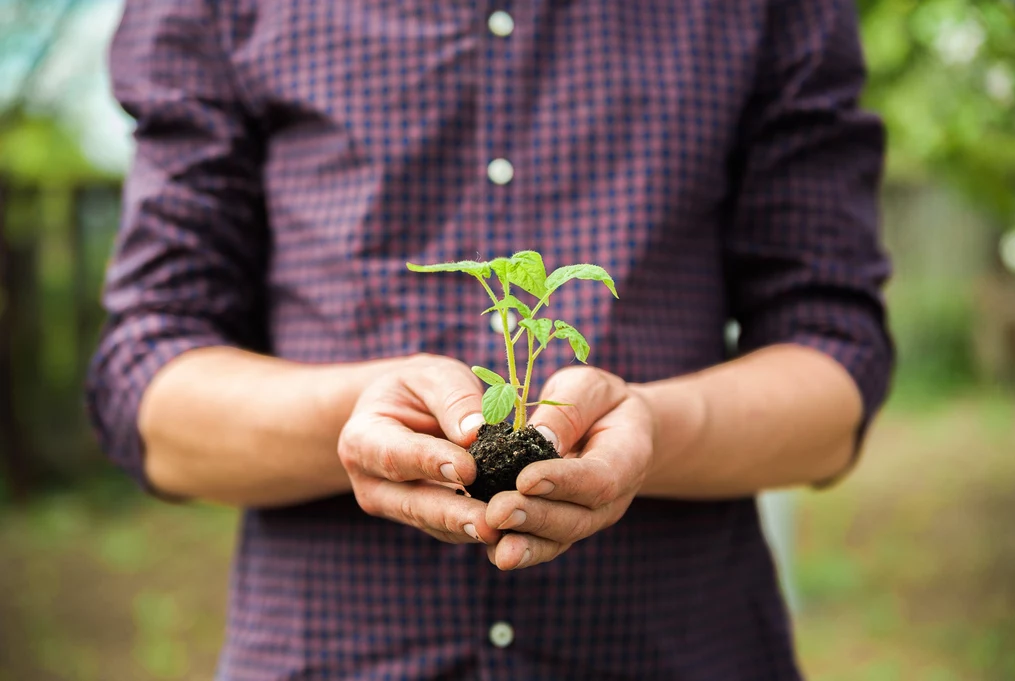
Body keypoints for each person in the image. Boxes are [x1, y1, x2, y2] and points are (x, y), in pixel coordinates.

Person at [86, 1, 893, 679]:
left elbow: (832, 364)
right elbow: (148, 381)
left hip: (681, 646)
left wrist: (646, 429)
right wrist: (359, 419)